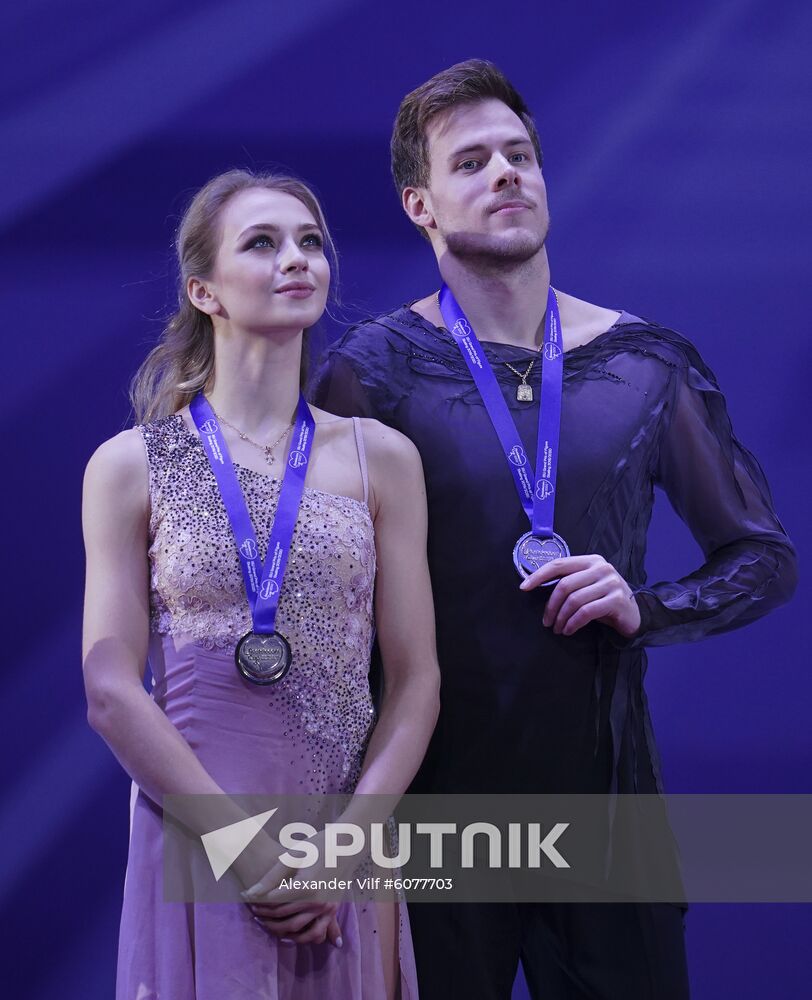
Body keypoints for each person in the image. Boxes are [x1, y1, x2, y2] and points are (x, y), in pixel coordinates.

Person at [310, 60, 798, 1000]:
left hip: (606, 817)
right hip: (432, 824)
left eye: (521, 155)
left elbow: (763, 557)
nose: (507, 174)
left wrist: (644, 608)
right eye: (474, 162)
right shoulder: (369, 374)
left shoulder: (646, 364)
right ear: (421, 204)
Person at [82, 168, 439, 1000]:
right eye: (264, 243)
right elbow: (108, 686)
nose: (298, 260)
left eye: (311, 242)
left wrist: (348, 851)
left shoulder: (378, 456)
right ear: (203, 289)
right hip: (201, 837)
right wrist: (240, 848)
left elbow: (417, 678)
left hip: (344, 848)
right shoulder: (135, 464)